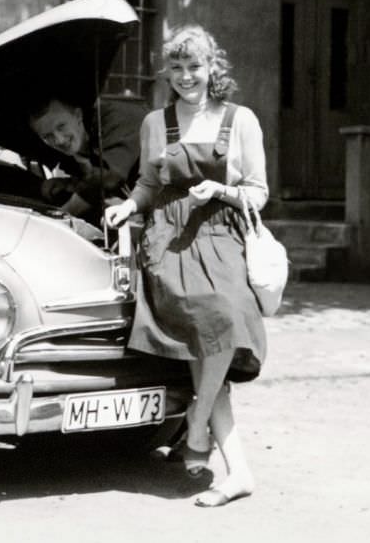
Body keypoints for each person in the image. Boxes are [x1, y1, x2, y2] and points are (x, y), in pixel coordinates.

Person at [105, 25, 268, 508]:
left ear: (212, 67)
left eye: (194, 66)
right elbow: (148, 185)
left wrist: (220, 190)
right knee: (207, 336)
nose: (185, 77)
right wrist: (128, 207)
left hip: (221, 235)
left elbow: (259, 191)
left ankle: (197, 431)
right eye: (176, 68)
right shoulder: (156, 122)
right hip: (170, 241)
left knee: (221, 319)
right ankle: (236, 470)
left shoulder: (241, 120)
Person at [28, 96, 146, 225]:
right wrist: (69, 184)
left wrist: (62, 215)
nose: (59, 140)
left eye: (61, 126)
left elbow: (108, 178)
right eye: (47, 136)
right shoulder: (81, 134)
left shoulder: (118, 119)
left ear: (78, 115)